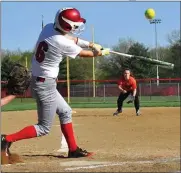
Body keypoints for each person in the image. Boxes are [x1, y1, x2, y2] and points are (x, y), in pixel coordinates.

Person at [1, 7, 110, 158]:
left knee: (65, 112)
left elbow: (71, 39)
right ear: (66, 25)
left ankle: (73, 150)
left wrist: (91, 44)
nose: (76, 28)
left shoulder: (48, 28)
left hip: (43, 81)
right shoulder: (61, 42)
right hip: (44, 85)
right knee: (44, 128)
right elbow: (83, 54)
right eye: (74, 25)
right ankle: (6, 139)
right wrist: (99, 53)